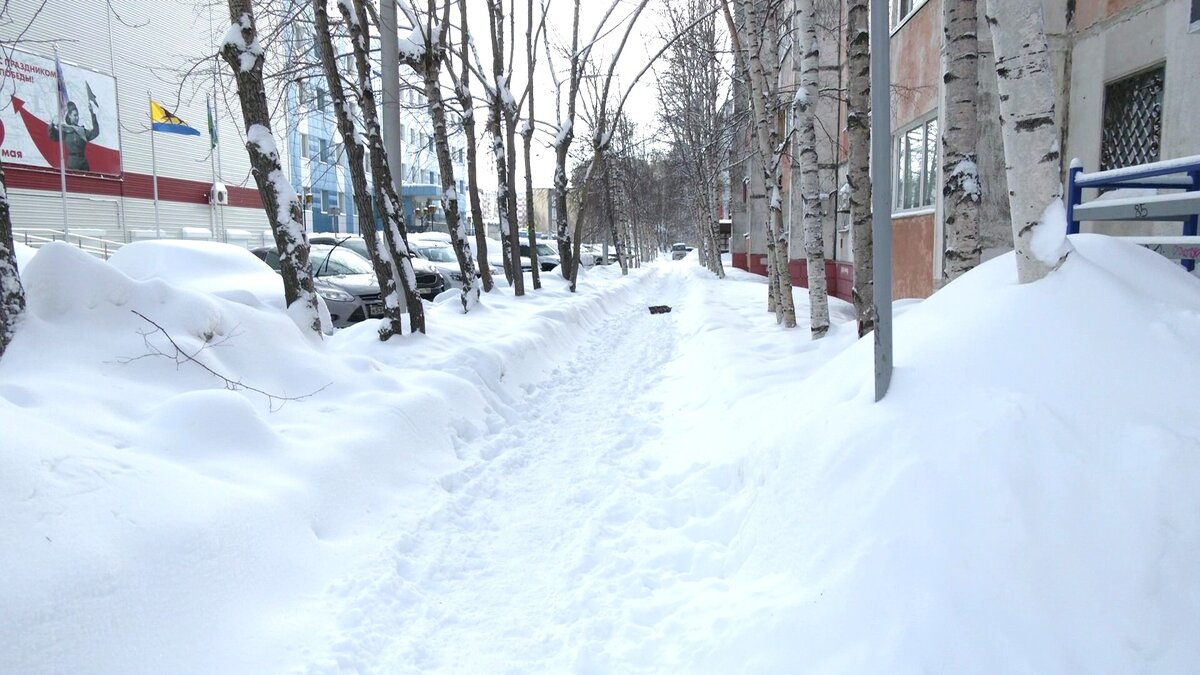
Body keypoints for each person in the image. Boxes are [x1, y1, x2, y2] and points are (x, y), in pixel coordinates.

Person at [48, 99, 99, 171]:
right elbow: (53, 136)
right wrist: (52, 124)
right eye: (75, 115)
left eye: (77, 115)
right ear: (69, 116)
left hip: (83, 164)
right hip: (72, 164)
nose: (77, 117)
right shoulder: (65, 131)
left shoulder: (82, 131)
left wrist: (92, 113)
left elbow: (95, 132)